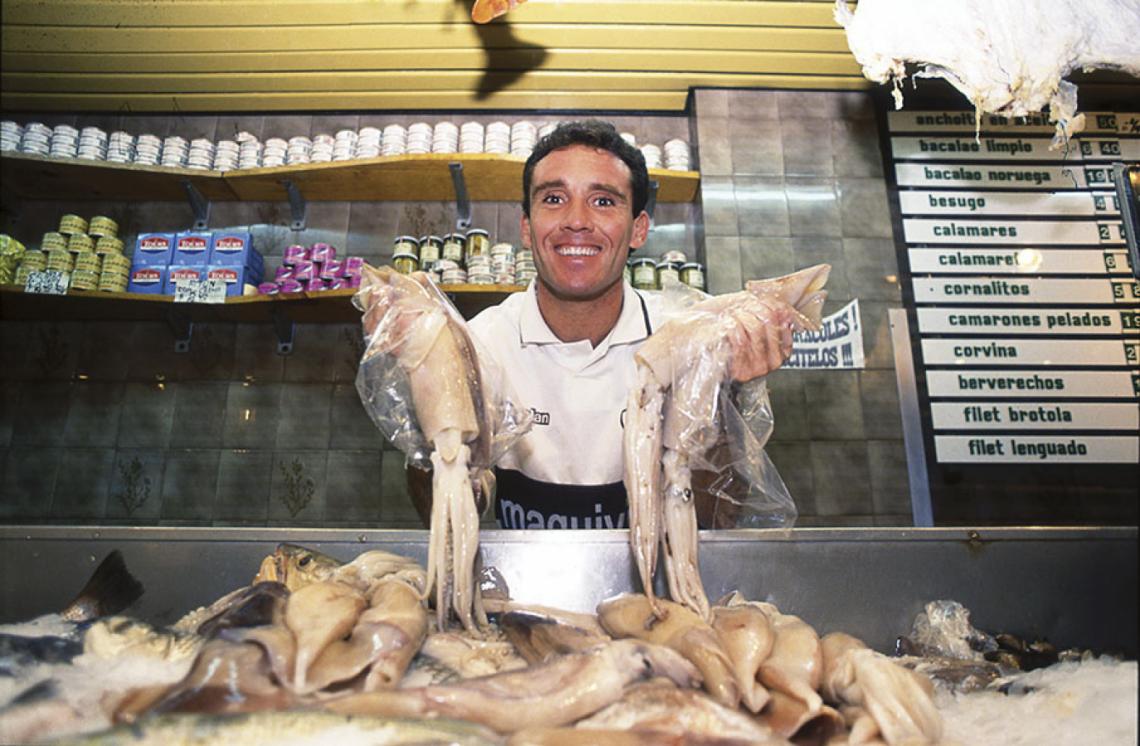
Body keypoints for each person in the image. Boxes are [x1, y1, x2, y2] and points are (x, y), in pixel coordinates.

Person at [386, 120, 798, 529]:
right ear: (526, 228)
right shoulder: (481, 342)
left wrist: (728, 392)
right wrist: (423, 385)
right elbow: (447, 521)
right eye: (553, 199)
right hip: (522, 591)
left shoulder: (688, 338)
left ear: (638, 229)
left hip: (654, 591)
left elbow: (712, 522)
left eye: (603, 201)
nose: (576, 221)